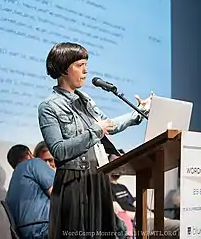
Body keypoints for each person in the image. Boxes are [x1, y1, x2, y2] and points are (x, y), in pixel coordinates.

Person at [38, 42, 152, 239]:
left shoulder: (85, 100)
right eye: (80, 65)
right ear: (64, 68)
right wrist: (94, 131)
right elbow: (58, 150)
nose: (85, 70)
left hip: (98, 177)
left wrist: (138, 113)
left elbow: (109, 125)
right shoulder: (49, 106)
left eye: (86, 64)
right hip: (73, 182)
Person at [109, 155, 180, 238]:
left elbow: (138, 205)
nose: (119, 166)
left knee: (182, 225)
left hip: (144, 218)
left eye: (121, 163)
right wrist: (146, 216)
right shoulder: (107, 188)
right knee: (179, 226)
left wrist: (157, 217)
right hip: (135, 223)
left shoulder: (122, 187)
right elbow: (120, 213)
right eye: (115, 162)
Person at [6, 145, 55, 239]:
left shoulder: (14, 179)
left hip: (23, 234)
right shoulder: (34, 163)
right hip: (43, 229)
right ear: (29, 154)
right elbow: (58, 194)